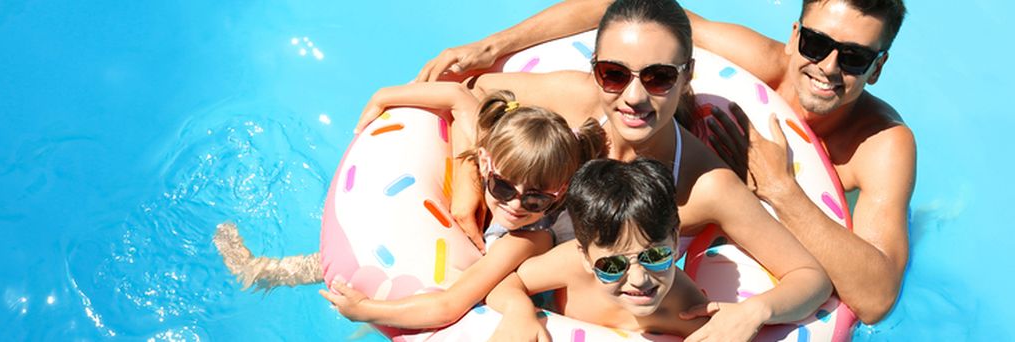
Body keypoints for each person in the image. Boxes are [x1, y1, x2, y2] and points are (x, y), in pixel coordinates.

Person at [411, 0, 915, 324]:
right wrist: (469, 187)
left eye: (657, 78)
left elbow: (838, 287)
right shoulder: (578, 100)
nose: (827, 67)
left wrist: (779, 193)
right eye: (816, 44)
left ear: (684, 77)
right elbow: (470, 96)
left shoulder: (706, 182)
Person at [221, 85, 608, 328]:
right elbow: (459, 98)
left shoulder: (529, 238)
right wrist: (382, 97)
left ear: (559, 193)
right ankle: (265, 271)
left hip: (514, 281)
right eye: (502, 187)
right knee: (345, 258)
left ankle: (266, 272)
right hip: (455, 227)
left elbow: (448, 306)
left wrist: (367, 312)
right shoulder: (488, 156)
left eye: (536, 197)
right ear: (487, 163)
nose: (515, 204)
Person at [484, 158, 710, 339]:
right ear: (585, 257)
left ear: (675, 241)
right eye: (612, 265)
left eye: (655, 256)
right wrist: (518, 311)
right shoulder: (572, 265)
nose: (639, 279)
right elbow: (505, 284)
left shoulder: (687, 309)